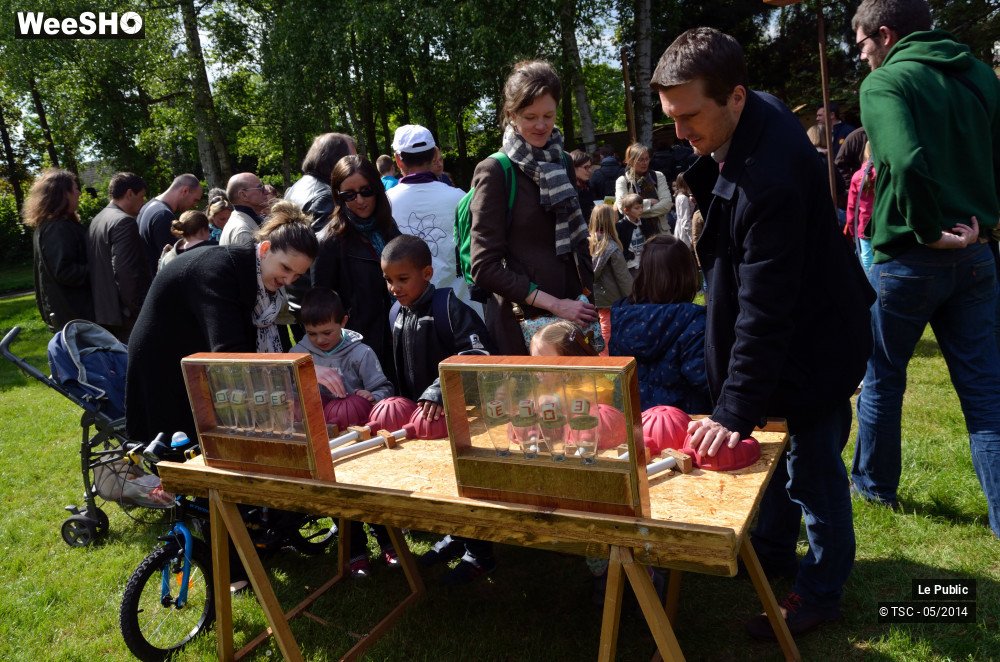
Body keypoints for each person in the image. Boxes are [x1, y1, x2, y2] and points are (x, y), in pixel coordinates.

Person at [652, 27, 874, 638]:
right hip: (792, 338)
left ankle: (822, 590)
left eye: (690, 116)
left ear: (736, 97)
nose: (679, 134)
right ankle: (774, 553)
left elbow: (764, 309)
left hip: (817, 344)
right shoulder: (755, 115)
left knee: (812, 471)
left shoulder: (769, 180)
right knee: (777, 464)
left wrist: (733, 408)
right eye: (671, 117)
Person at [850, 0, 1000, 538]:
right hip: (975, 255)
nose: (862, 56)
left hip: (909, 259)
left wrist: (927, 228)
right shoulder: (980, 75)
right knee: (986, 392)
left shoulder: (886, 83)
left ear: (885, 35)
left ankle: (873, 486)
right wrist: (983, 219)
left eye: (862, 44)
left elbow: (904, 160)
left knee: (882, 377)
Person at [125, 200, 321, 445]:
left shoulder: (258, 280)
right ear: (264, 249)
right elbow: (230, 354)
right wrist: (297, 373)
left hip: (193, 360)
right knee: (180, 451)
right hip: (164, 363)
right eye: (285, 268)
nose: (289, 279)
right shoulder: (219, 272)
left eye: (298, 275)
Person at [381, 234, 498, 585]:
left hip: (460, 418)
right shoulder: (395, 313)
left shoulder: (450, 307)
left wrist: (437, 390)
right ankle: (457, 534)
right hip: (423, 423)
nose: (394, 287)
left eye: (403, 279)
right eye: (388, 280)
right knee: (439, 484)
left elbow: (478, 356)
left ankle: (481, 553)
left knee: (466, 485)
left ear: (428, 273)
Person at [468, 60, 597, 355]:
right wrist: (554, 304)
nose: (541, 126)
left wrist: (585, 298)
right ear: (512, 115)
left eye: (548, 116)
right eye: (530, 117)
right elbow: (484, 268)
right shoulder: (495, 171)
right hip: (524, 325)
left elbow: (577, 245)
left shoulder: (562, 160)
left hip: (571, 316)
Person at [312, 155, 401, 383]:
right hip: (357, 349)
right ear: (337, 197)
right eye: (349, 195)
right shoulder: (328, 241)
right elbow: (320, 306)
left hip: (398, 337)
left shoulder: (388, 228)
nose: (359, 200)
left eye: (366, 191)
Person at [609, 235, 709, 412]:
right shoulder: (693, 319)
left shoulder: (622, 315)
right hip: (682, 423)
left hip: (635, 421)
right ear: (687, 274)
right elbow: (704, 380)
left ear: (644, 272)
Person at [385, 124, 470, 307]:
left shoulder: (386, 203)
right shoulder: (459, 197)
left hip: (410, 315)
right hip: (461, 310)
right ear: (433, 156)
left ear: (398, 160)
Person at [290, 287, 392, 404]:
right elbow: (287, 389)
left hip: (354, 420)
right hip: (312, 419)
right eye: (312, 334)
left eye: (327, 333)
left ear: (343, 322)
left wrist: (373, 396)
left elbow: (384, 389)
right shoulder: (296, 355)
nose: (320, 340)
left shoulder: (362, 354)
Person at [23, 169, 94, 332]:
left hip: (71, 314)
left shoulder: (52, 225)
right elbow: (65, 272)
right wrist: (100, 269)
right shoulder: (57, 228)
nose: (79, 193)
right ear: (64, 194)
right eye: (75, 188)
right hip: (74, 315)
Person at [87, 172, 151, 343]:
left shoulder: (97, 219)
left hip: (105, 312)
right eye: (142, 196)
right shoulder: (124, 222)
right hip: (125, 314)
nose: (143, 202)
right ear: (130, 193)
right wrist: (140, 310)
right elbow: (126, 273)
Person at [285, 133, 356, 233]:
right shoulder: (327, 198)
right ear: (337, 160)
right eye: (352, 159)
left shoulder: (294, 188)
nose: (357, 166)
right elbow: (329, 246)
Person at [588, 205, 633, 357]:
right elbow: (622, 276)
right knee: (608, 327)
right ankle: (606, 357)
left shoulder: (590, 241)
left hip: (597, 295)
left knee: (603, 325)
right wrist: (632, 296)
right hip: (612, 297)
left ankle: (605, 354)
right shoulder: (612, 246)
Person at [137, 174, 203, 274]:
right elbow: (173, 263)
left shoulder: (148, 206)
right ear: (185, 191)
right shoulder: (163, 215)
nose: (195, 205)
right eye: (195, 200)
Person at [614, 142, 673, 236]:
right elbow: (622, 208)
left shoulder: (658, 176)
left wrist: (635, 211)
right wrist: (648, 202)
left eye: (647, 159)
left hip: (661, 232)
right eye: (640, 160)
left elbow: (667, 205)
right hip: (636, 235)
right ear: (631, 161)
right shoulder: (622, 181)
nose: (645, 163)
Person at [843, 141, 875, 271]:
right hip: (885, 224)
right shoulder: (887, 174)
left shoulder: (857, 176)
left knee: (866, 260)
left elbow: (852, 207)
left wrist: (852, 231)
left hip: (865, 225)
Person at [220, 172, 270, 248]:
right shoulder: (242, 231)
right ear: (243, 195)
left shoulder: (245, 220)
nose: (267, 192)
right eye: (260, 188)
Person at [617, 193, 646, 274]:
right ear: (626, 210)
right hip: (631, 265)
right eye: (637, 208)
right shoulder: (620, 226)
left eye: (641, 207)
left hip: (644, 262)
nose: (640, 210)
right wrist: (628, 256)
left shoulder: (644, 222)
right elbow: (620, 245)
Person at [570, 149, 595, 223]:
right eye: (586, 167)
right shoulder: (569, 190)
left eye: (590, 167)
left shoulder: (588, 185)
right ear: (573, 168)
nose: (590, 170)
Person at [673, 173, 695, 248]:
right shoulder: (683, 198)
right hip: (685, 234)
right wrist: (692, 237)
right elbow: (685, 220)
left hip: (683, 229)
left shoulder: (682, 196)